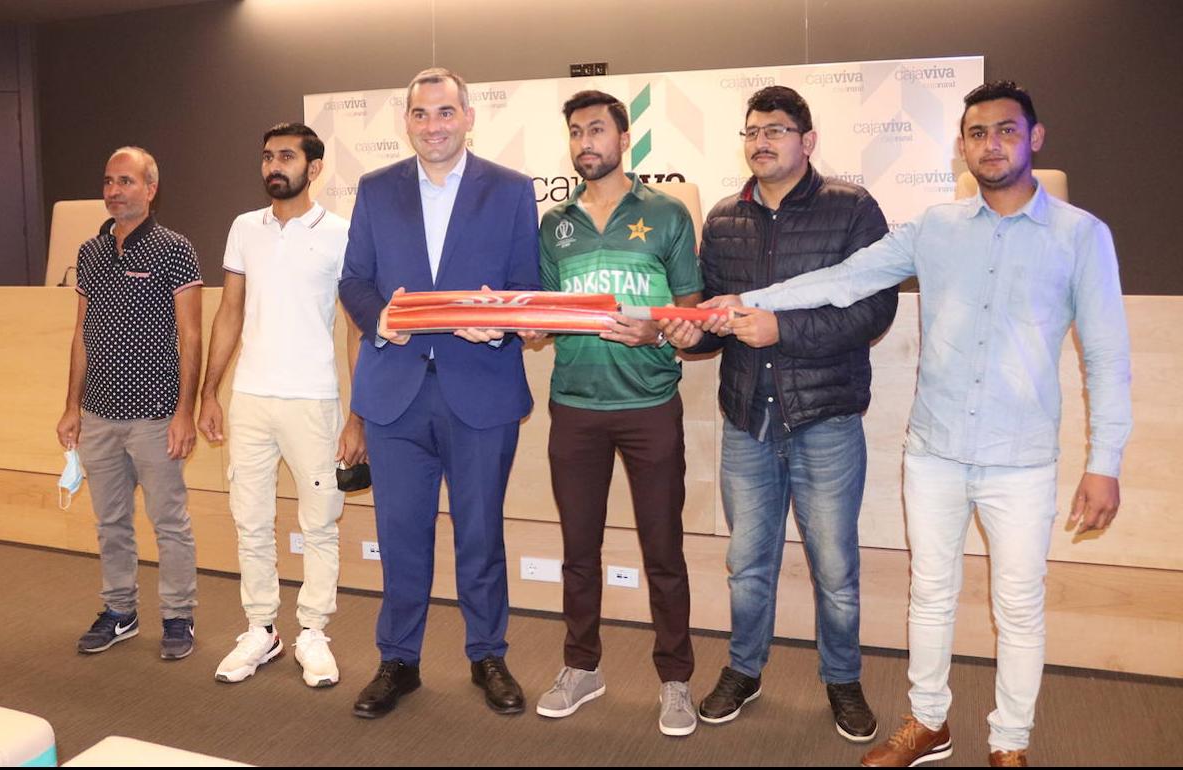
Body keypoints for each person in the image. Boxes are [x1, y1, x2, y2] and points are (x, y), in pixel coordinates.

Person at [688, 81, 1132, 767]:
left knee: (1017, 608)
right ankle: (929, 723)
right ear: (962, 146)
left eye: (1007, 131)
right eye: (978, 134)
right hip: (935, 453)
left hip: (1021, 460)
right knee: (931, 596)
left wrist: (1105, 461)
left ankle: (1009, 743)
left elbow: (1107, 357)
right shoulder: (934, 228)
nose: (992, 145)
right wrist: (742, 301)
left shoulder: (1081, 237)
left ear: (1034, 139)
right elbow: (841, 280)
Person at [663, 85, 897, 742]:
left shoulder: (852, 210)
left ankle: (843, 679)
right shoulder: (724, 217)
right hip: (747, 422)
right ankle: (744, 669)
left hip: (825, 419)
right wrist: (694, 334)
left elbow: (873, 311)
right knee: (748, 561)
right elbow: (715, 317)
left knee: (836, 567)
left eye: (776, 130)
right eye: (752, 131)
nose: (761, 142)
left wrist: (781, 330)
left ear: (808, 140)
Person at [338, 67, 540, 719]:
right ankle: (399, 661)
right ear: (407, 122)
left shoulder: (510, 191)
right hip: (395, 395)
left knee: (480, 533)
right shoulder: (374, 190)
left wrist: (501, 323)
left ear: (469, 117)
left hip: (480, 390)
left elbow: (526, 287)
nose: (433, 126)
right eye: (421, 115)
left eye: (445, 113)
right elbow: (355, 282)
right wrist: (380, 320)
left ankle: (487, 656)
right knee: (400, 535)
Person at [531, 90, 704, 736]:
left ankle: (676, 679)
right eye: (575, 133)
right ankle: (583, 667)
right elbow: (546, 322)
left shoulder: (667, 216)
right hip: (574, 409)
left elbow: (691, 313)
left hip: (650, 407)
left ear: (625, 138)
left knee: (664, 550)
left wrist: (657, 330)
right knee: (579, 550)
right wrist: (527, 330)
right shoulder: (556, 225)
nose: (584, 144)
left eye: (596, 130)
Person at [198, 123, 365, 688]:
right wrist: (208, 392)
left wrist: (356, 414)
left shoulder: (342, 234)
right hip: (250, 398)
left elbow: (357, 330)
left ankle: (313, 632)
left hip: (314, 400)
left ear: (314, 167)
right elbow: (229, 313)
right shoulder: (245, 228)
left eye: (287, 156)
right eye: (268, 156)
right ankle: (261, 629)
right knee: (251, 519)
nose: (275, 165)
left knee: (319, 523)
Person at [56, 146, 202, 660]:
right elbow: (81, 335)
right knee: (110, 522)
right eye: (108, 181)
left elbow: (191, 337)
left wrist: (184, 412)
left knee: (169, 522)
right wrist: (72, 407)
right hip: (98, 415)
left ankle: (179, 616)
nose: (114, 191)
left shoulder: (174, 249)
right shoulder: (90, 252)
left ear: (150, 189)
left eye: (125, 181)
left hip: (157, 416)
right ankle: (120, 611)